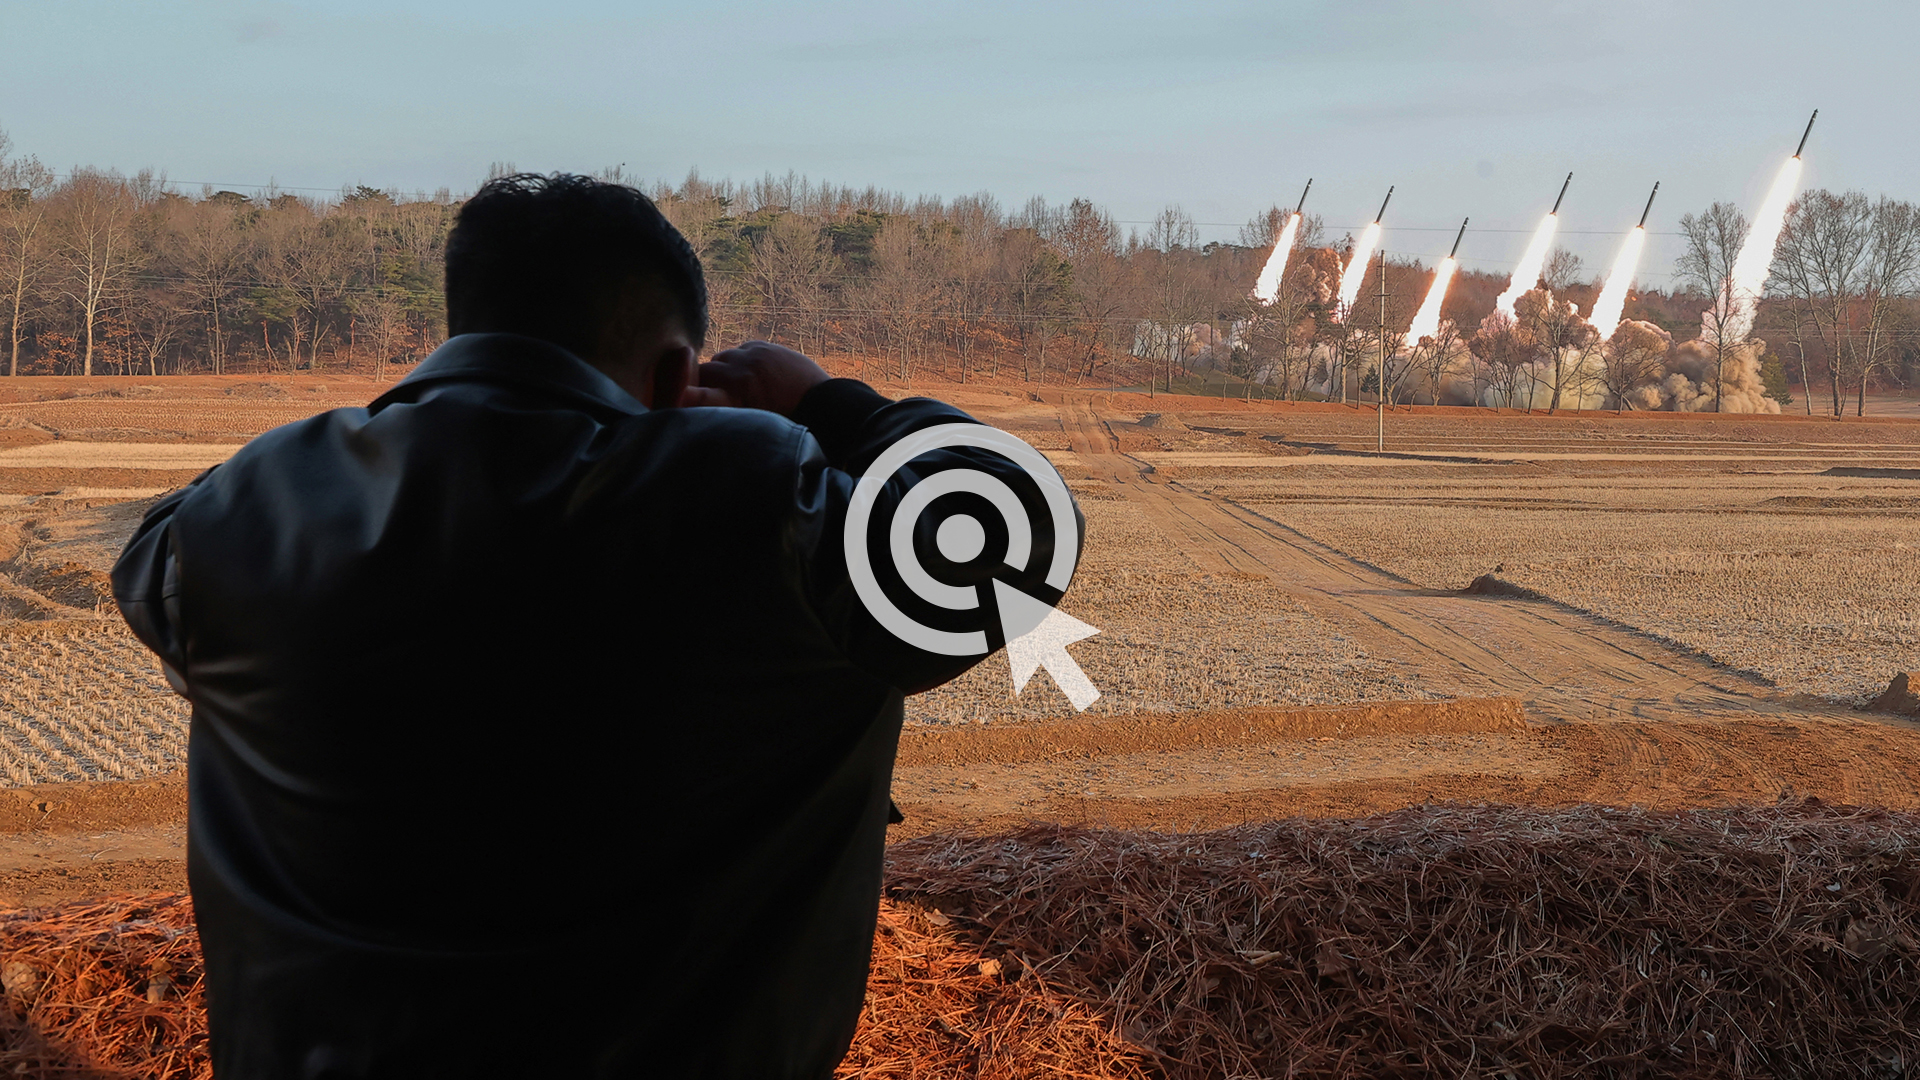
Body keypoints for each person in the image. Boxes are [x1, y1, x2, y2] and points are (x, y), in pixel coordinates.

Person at [112, 173, 1079, 1079]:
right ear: (676, 371)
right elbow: (1013, 529)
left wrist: (418, 413)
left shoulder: (231, 520)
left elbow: (165, 550)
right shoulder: (755, 505)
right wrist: (832, 405)